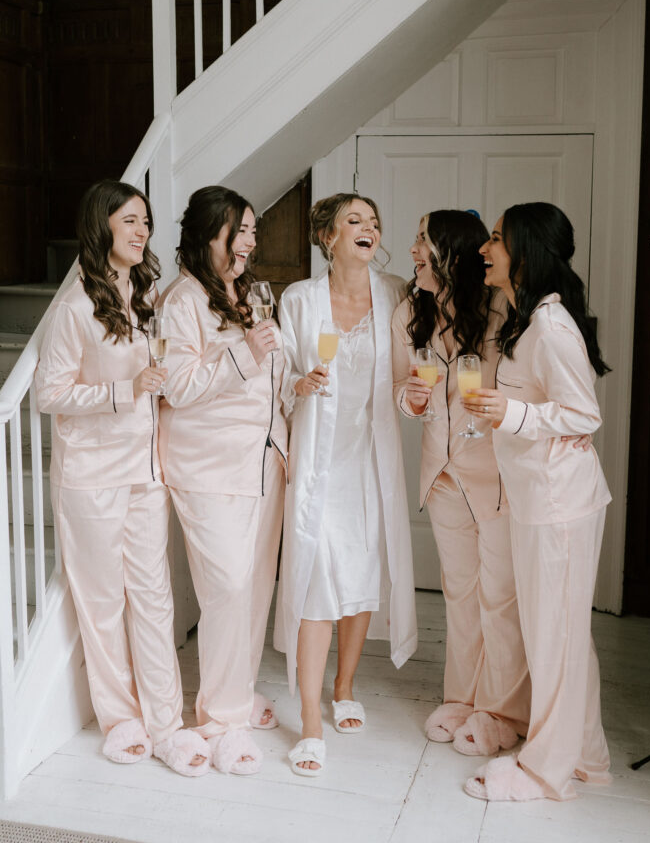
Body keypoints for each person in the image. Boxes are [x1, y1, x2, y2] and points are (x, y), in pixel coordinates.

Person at [35, 180, 209, 776]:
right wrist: (123, 390)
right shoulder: (74, 307)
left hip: (145, 470)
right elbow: (48, 393)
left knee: (155, 599)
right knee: (103, 603)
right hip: (90, 475)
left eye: (146, 221)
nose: (142, 231)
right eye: (130, 220)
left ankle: (167, 723)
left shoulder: (147, 294)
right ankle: (121, 720)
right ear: (102, 225)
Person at [462, 201, 612, 802]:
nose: (485, 248)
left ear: (526, 251)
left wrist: (512, 412)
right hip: (537, 500)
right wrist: (504, 412)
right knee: (561, 635)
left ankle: (547, 770)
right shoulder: (527, 317)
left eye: (497, 238)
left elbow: (584, 414)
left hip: (560, 504)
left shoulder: (550, 326)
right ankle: (586, 759)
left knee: (556, 638)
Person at [274, 193, 418, 777]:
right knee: (314, 580)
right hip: (317, 462)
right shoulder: (299, 299)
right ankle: (310, 718)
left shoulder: (396, 295)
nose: (368, 228)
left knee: (360, 575)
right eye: (354, 220)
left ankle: (345, 686)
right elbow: (277, 375)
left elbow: (408, 378)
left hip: (369, 461)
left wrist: (416, 399)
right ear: (327, 236)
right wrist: (298, 385)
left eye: (374, 221)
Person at [391, 210, 530, 757]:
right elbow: (405, 391)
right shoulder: (410, 311)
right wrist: (411, 399)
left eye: (422, 240)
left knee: (500, 595)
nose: (413, 251)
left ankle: (502, 710)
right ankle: (460, 699)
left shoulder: (500, 309)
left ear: (450, 251)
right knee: (461, 593)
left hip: (494, 473)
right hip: (442, 472)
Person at [158, 186, 287, 776]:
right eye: (241, 230)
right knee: (227, 588)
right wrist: (245, 352)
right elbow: (179, 386)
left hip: (261, 460)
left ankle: (234, 695)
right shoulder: (182, 300)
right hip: (208, 466)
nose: (250, 242)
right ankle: (220, 722)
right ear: (210, 234)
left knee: (253, 589)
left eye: (254, 231)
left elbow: (267, 374)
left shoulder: (246, 293)